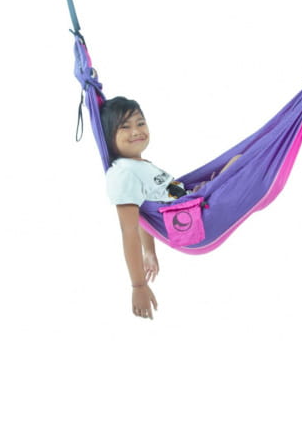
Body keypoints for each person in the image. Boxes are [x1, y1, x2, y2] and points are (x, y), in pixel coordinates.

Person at [100, 96, 241, 320]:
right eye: (125, 127)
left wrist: (149, 252)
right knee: (244, 163)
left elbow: (146, 212)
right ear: (108, 137)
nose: (136, 131)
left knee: (241, 162)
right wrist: (138, 286)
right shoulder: (122, 173)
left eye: (140, 123)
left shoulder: (139, 166)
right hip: (195, 222)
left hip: (195, 204)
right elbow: (129, 230)